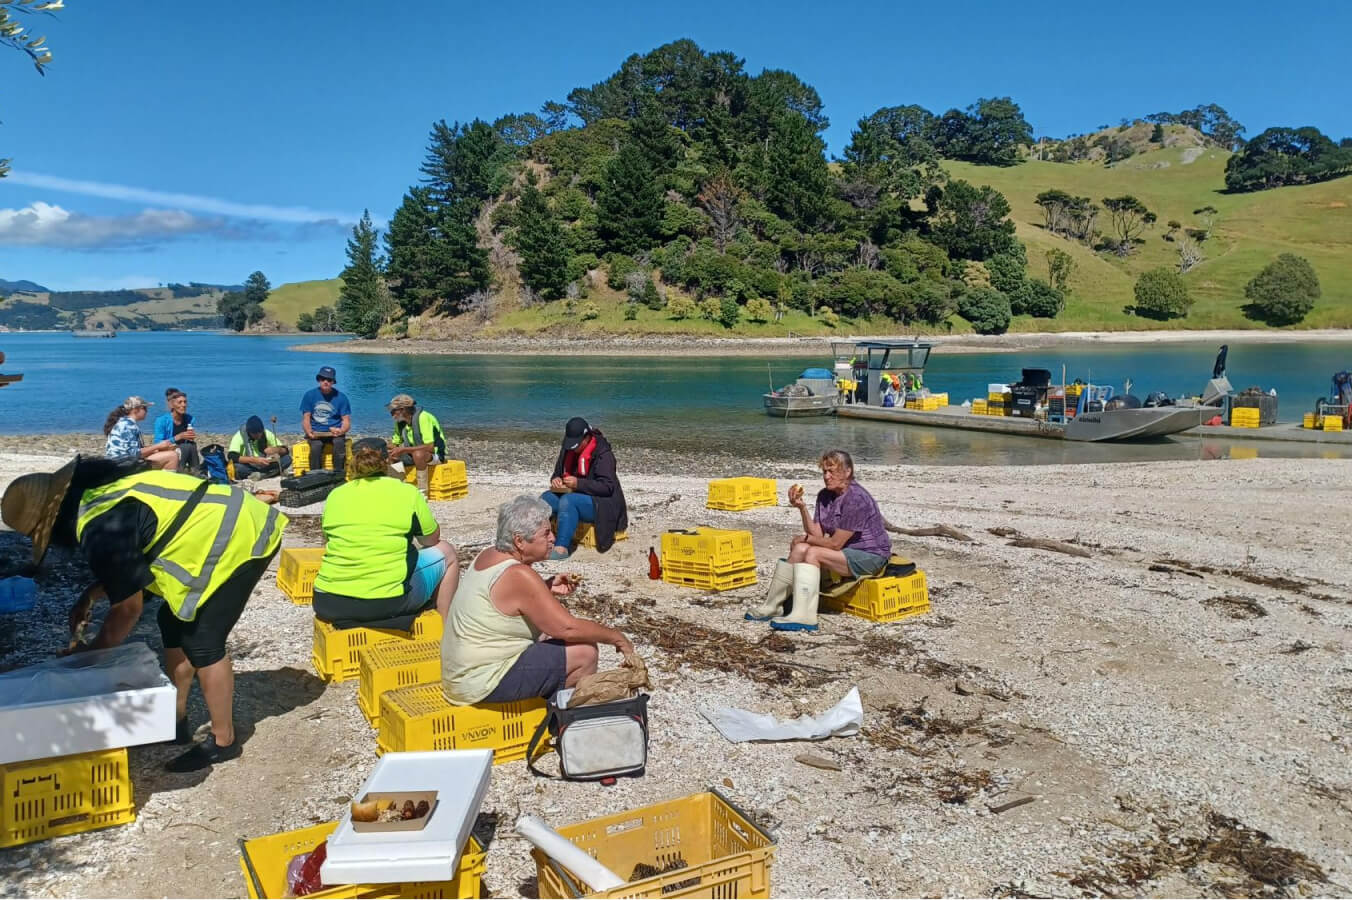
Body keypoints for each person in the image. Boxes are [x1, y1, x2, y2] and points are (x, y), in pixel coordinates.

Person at [0, 454, 287, 771]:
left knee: (203, 639)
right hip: (226, 522)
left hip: (241, 534)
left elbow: (128, 609)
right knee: (171, 621)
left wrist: (89, 655)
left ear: (52, 525)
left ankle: (223, 741)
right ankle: (175, 723)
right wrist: (90, 595)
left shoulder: (99, 526)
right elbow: (131, 568)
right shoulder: (100, 498)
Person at [441, 494, 633, 705]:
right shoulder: (518, 575)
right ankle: (561, 725)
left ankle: (552, 706)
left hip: (460, 673)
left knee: (548, 638)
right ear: (519, 541)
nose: (553, 538)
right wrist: (616, 637)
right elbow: (567, 628)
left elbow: (507, 601)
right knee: (585, 652)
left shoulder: (489, 554)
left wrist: (545, 587)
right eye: (546, 533)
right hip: (480, 681)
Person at [311, 443, 459, 631]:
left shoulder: (336, 495)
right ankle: (446, 630)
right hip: (387, 602)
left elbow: (328, 541)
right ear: (387, 461)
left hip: (328, 601)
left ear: (352, 463)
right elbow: (430, 540)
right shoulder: (406, 492)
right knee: (447, 552)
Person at [746, 449, 892, 633]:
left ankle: (805, 615)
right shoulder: (825, 496)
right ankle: (774, 604)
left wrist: (808, 538)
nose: (827, 476)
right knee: (800, 548)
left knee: (813, 551)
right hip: (845, 552)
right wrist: (801, 508)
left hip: (871, 554)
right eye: (824, 472)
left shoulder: (856, 499)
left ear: (847, 472)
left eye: (832, 471)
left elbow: (834, 544)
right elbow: (816, 532)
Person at [539, 417, 627, 560]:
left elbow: (607, 487)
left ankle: (561, 548)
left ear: (587, 438)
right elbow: (558, 472)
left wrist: (579, 484)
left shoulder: (604, 454)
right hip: (574, 495)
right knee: (546, 498)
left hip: (602, 503)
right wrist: (555, 480)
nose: (573, 448)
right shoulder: (569, 448)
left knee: (568, 501)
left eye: (576, 445)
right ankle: (540, 539)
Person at [386, 394, 447, 488]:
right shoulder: (400, 423)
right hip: (412, 454)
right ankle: (398, 488)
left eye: (393, 411)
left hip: (435, 455)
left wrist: (403, 450)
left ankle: (422, 491)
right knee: (392, 454)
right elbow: (395, 443)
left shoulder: (423, 418)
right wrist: (384, 447)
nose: (391, 414)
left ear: (403, 409)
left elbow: (430, 447)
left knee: (418, 454)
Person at [104, 396, 178, 471]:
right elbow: (135, 454)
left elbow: (134, 450)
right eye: (145, 408)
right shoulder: (128, 426)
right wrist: (158, 446)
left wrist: (157, 449)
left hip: (117, 463)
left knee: (164, 453)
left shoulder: (125, 422)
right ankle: (166, 481)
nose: (147, 411)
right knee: (172, 456)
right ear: (135, 410)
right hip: (122, 466)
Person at [300, 365, 351, 473]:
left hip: (335, 432)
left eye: (329, 379)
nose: (325, 382)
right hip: (316, 432)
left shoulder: (341, 397)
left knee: (339, 444)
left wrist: (341, 430)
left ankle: (338, 474)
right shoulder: (309, 395)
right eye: (322, 379)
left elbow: (346, 421)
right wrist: (309, 432)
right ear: (318, 380)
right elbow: (306, 418)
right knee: (316, 447)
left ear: (333, 381)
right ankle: (315, 475)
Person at [153, 388, 202, 475]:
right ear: (172, 405)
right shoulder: (162, 421)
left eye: (185, 402)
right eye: (180, 402)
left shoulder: (189, 419)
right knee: (186, 447)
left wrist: (190, 437)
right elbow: (157, 444)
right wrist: (177, 437)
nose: (183, 405)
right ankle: (183, 472)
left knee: (191, 445)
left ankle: (195, 471)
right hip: (168, 451)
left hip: (185, 450)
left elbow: (189, 440)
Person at [228, 415, 291, 480]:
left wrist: (276, 449)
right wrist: (255, 460)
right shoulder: (239, 436)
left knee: (287, 459)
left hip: (266, 464)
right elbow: (232, 456)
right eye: (255, 433)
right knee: (236, 467)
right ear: (249, 432)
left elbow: (285, 450)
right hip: (249, 465)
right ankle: (271, 473)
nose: (258, 435)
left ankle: (262, 475)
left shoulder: (266, 433)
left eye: (260, 432)